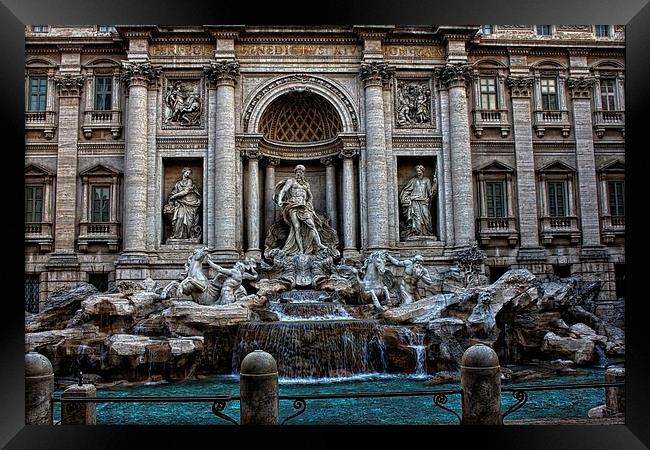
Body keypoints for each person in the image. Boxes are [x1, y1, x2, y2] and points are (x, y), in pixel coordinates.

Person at [275, 164, 329, 255]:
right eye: (298, 172)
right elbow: (283, 190)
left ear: (304, 173)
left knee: (311, 225)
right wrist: (280, 200)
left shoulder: (306, 184)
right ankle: (300, 249)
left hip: (304, 207)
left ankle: (319, 244)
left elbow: (310, 197)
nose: (299, 173)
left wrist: (311, 208)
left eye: (301, 172)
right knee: (297, 228)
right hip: (293, 206)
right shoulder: (291, 181)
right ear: (295, 172)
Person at [400, 165, 437, 238]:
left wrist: (435, 184)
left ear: (422, 171)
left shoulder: (427, 180)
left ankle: (426, 232)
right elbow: (406, 190)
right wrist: (406, 197)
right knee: (416, 218)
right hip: (415, 202)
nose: (418, 172)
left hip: (424, 202)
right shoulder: (413, 181)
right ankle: (417, 233)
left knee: (426, 216)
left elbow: (431, 193)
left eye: (419, 171)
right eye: (417, 171)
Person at [166, 167, 201, 240]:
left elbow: (185, 192)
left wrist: (173, 197)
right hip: (180, 203)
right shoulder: (178, 184)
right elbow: (173, 192)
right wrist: (172, 199)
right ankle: (177, 235)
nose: (188, 174)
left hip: (189, 203)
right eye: (187, 172)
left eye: (189, 173)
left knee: (189, 221)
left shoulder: (189, 181)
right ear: (183, 172)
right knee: (180, 217)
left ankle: (186, 236)